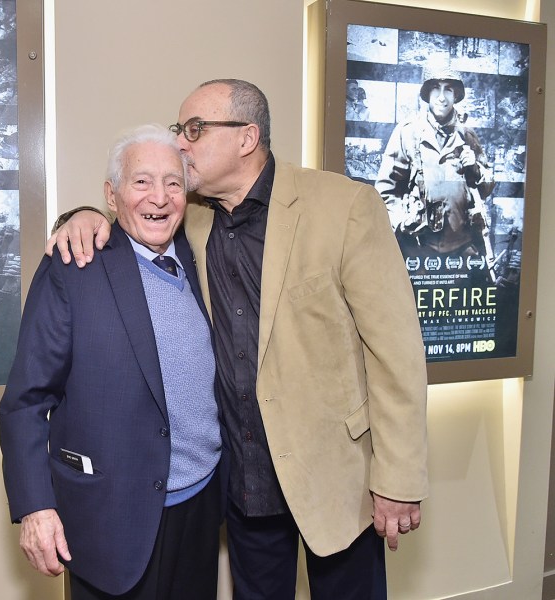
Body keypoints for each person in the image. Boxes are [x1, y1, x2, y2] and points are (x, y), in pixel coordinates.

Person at [49, 79, 428, 599]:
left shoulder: (344, 206)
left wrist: (398, 479)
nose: (180, 143)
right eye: (179, 129)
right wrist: (82, 216)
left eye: (195, 129)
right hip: (245, 485)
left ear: (247, 137)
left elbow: (397, 355)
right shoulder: (193, 219)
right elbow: (135, 218)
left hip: (337, 483)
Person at [0, 124, 225, 600]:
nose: (159, 198)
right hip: (112, 518)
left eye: (173, 183)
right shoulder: (75, 266)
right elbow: (25, 400)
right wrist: (35, 508)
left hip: (201, 506)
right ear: (112, 194)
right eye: (142, 182)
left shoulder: (194, 252)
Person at [375, 67, 495, 281]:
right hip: (417, 249)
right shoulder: (407, 132)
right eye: (435, 89)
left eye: (448, 89)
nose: (441, 97)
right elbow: (384, 191)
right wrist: (403, 220)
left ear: (456, 95)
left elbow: (486, 187)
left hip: (461, 249)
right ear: (427, 94)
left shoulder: (467, 135)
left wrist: (475, 168)